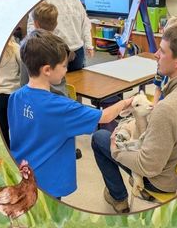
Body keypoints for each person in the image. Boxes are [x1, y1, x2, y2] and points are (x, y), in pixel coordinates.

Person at [92, 20, 177, 213]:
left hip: (163, 182)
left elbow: (148, 167)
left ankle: (118, 197)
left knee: (100, 138)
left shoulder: (167, 109)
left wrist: (116, 150)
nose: (156, 55)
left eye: (162, 51)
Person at [8, 30, 132, 199]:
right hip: (48, 182)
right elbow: (105, 116)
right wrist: (127, 102)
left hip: (22, 174)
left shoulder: (15, 97)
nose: (66, 70)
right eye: (64, 66)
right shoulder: (61, 108)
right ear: (47, 70)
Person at [27, 0, 92, 72]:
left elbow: (84, 21)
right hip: (54, 52)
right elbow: (32, 25)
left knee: (77, 78)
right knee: (54, 79)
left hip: (77, 51)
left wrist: (88, 44)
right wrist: (37, 48)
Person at [0, 37, 21, 147]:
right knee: (17, 128)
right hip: (14, 94)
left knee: (3, 130)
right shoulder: (15, 48)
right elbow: (24, 69)